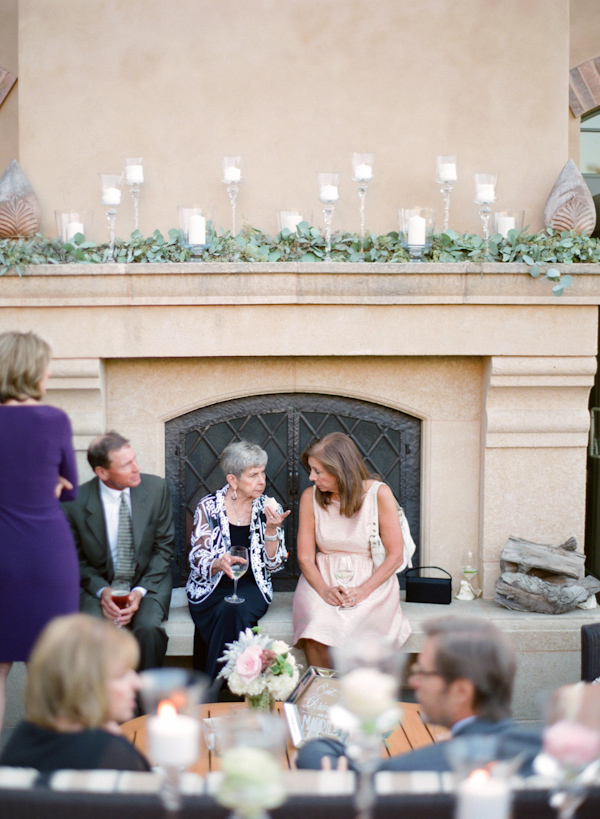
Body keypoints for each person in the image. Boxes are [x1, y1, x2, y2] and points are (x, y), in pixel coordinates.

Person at [297, 615, 542, 774]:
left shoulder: (406, 772)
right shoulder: (551, 753)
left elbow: (313, 754)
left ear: (461, 691)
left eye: (423, 673)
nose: (413, 682)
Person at [0, 331, 79, 733]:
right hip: (45, 553)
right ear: (33, 370)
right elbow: (72, 486)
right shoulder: (53, 419)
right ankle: (48, 774)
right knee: (48, 667)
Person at [292, 432, 411, 668]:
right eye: (311, 470)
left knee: (358, 626)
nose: (311, 477)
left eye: (318, 471)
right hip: (321, 578)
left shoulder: (379, 494)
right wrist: (325, 591)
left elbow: (396, 555)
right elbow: (305, 557)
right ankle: (322, 698)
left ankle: (357, 698)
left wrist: (363, 590)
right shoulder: (310, 497)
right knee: (318, 625)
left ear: (340, 470)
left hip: (370, 580)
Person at [63, 432, 175, 670]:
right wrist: (103, 591)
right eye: (126, 465)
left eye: (134, 459)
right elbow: (76, 561)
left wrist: (140, 592)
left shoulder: (156, 489)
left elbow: (164, 549)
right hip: (98, 583)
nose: (136, 468)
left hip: (148, 580)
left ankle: (146, 702)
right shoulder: (74, 503)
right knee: (91, 632)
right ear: (102, 472)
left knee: (148, 629)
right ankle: (100, 703)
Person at [186, 440, 289, 688]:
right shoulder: (209, 506)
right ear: (232, 480)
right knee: (225, 609)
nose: (262, 480)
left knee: (234, 609)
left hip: (252, 586)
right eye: (253, 475)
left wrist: (272, 530)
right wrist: (217, 563)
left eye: (263, 472)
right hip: (211, 587)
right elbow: (196, 557)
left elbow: (274, 566)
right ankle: (235, 688)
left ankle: (210, 690)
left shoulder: (269, 507)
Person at [0, 613, 149, 772]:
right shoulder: (114, 756)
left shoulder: (21, 740)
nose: (138, 683)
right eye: (122, 675)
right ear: (85, 684)